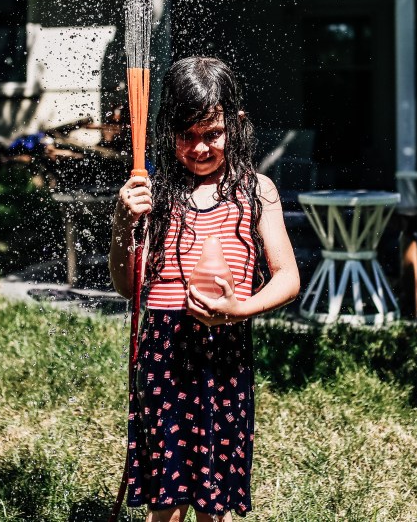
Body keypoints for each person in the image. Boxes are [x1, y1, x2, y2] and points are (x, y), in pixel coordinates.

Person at [109, 56, 300, 521]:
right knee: (167, 500)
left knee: (213, 501)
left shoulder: (258, 191)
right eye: (186, 136)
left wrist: (239, 308)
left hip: (223, 351)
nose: (199, 148)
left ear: (234, 125)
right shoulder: (156, 195)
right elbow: (128, 287)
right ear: (167, 132)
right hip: (163, 352)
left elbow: (289, 279)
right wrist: (121, 225)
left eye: (211, 134)